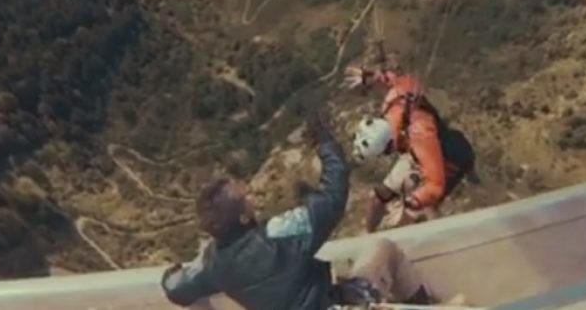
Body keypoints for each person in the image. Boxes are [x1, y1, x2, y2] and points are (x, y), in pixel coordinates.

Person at [160, 107, 438, 309]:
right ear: (243, 217)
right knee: (383, 249)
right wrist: (326, 144)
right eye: (244, 199)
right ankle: (424, 305)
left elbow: (176, 289)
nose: (251, 198)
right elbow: (333, 197)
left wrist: (171, 274)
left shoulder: (212, 265)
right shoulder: (276, 234)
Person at [344, 66, 475, 233]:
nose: (387, 155)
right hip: (417, 152)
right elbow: (397, 81)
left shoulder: (421, 134)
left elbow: (435, 185)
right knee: (380, 196)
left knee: (417, 212)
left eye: (385, 153)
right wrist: (371, 76)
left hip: (449, 157)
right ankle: (368, 236)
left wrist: (412, 202)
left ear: (389, 146)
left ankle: (438, 241)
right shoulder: (393, 107)